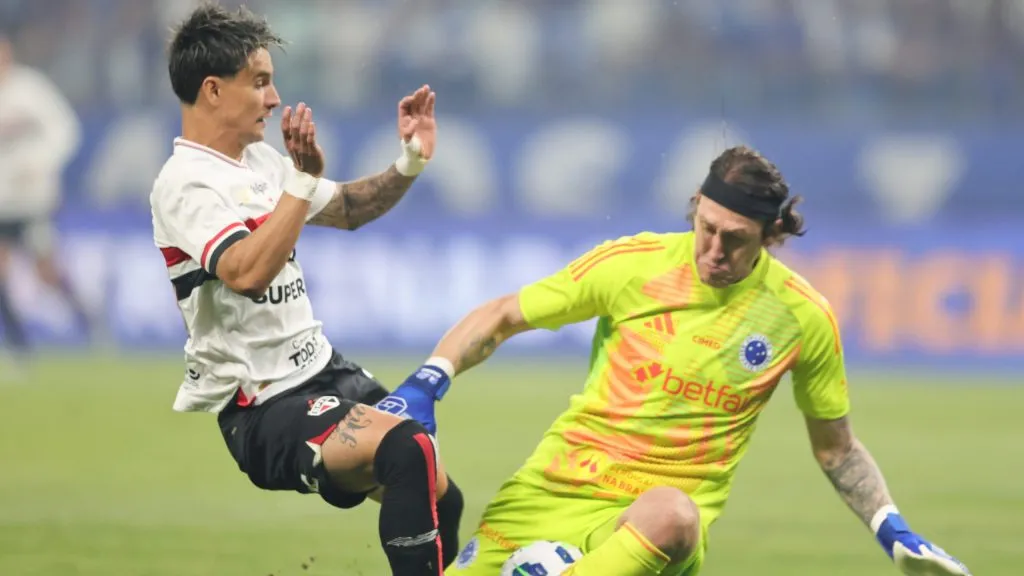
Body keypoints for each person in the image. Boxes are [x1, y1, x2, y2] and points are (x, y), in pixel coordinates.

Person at [380, 145, 973, 576]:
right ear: (696, 208)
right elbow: (506, 314)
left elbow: (836, 449)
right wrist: (428, 382)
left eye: (735, 239)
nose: (713, 250)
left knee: (675, 515)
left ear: (770, 235)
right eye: (706, 228)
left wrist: (893, 529)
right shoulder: (633, 264)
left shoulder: (801, 317)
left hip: (651, 524)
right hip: (550, 491)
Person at [149, 6, 462, 575]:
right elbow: (245, 273)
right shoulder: (184, 184)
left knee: (444, 498)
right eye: (260, 82)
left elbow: (349, 209)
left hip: (325, 371)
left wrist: (410, 161)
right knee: (407, 450)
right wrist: (299, 181)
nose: (274, 99)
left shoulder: (261, 163)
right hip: (264, 406)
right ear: (213, 90)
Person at [0, 29, 94, 370]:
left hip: (32, 199)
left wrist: (41, 163)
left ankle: (87, 319)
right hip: (2, 200)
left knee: (45, 270)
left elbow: (66, 130)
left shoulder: (31, 90)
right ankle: (19, 346)